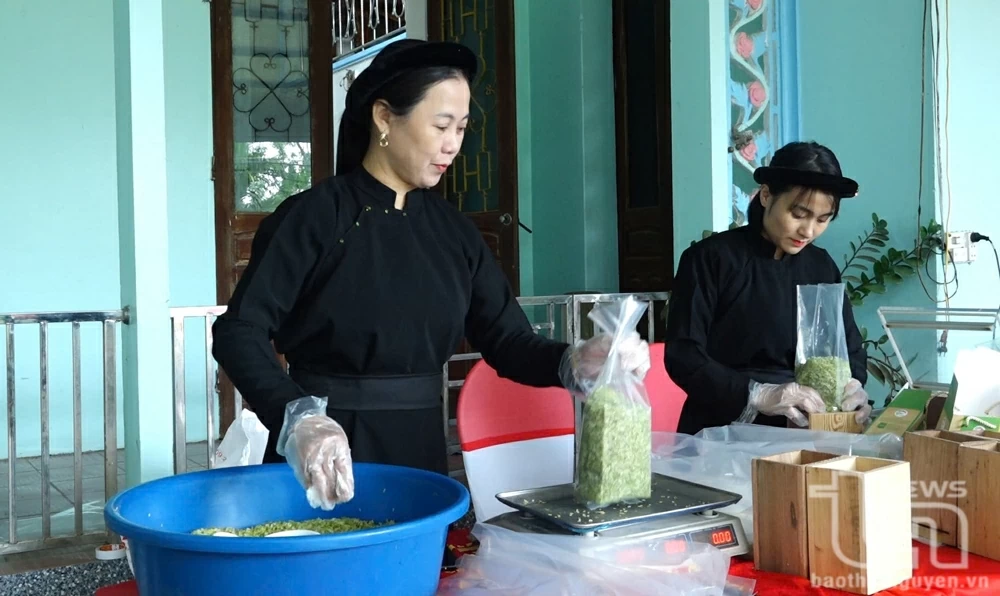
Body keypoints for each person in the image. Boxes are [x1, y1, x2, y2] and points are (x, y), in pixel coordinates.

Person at [211, 39, 650, 510]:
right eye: (441, 125)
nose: (453, 144)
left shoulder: (454, 233)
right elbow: (239, 331)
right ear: (384, 117)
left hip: (420, 450)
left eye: (461, 128)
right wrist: (298, 417)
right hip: (324, 454)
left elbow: (508, 342)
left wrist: (575, 361)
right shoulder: (314, 217)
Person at [664, 141, 872, 435]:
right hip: (719, 430)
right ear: (766, 195)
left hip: (804, 431)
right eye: (798, 214)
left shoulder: (821, 266)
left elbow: (850, 349)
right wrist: (757, 394)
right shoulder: (711, 259)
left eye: (822, 220)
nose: (808, 231)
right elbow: (684, 355)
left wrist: (854, 386)